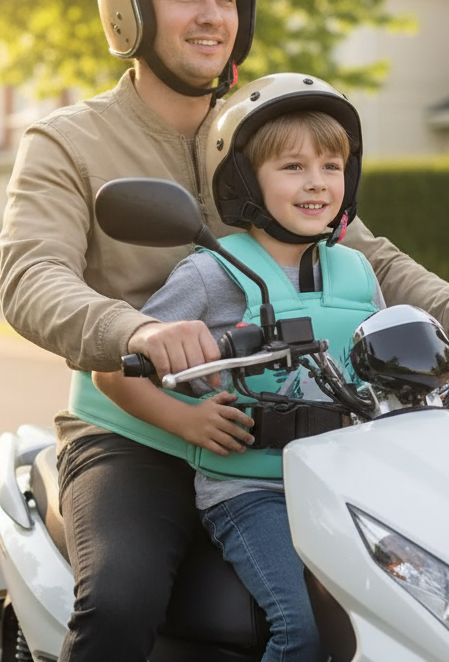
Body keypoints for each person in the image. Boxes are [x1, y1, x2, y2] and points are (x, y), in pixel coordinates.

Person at [0, 0, 449, 662]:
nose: (211, 16)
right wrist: (139, 331)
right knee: (120, 602)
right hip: (133, 430)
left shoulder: (257, 133)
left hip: (279, 432)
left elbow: (369, 253)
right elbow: (31, 275)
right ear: (131, 15)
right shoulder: (68, 142)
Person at [94, 73, 384, 662]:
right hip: (251, 491)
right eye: (293, 167)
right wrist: (187, 421)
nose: (317, 183)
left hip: (345, 487)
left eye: (332, 166)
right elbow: (113, 371)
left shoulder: (358, 272)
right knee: (299, 633)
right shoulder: (211, 274)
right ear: (247, 181)